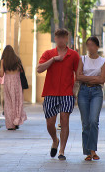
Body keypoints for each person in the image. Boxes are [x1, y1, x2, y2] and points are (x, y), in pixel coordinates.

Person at [37, 28, 80, 161]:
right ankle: (55, 140)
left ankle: (61, 150)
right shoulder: (48, 53)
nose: (61, 40)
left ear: (67, 39)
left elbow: (78, 74)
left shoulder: (73, 55)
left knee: (64, 120)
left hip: (67, 93)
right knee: (50, 123)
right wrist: (53, 60)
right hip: (50, 92)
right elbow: (39, 69)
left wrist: (75, 91)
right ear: (55, 39)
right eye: (58, 37)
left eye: (63, 37)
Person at [76, 36, 105, 161]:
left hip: (96, 92)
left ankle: (93, 150)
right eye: (88, 45)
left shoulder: (103, 61)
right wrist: (94, 78)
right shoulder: (82, 59)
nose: (90, 47)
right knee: (85, 122)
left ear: (97, 47)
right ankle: (88, 152)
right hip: (83, 91)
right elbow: (78, 76)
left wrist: (86, 77)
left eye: (92, 45)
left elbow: (102, 79)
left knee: (94, 120)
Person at [0, 45, 27, 130]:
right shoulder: (17, 60)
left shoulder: (3, 61)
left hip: (8, 82)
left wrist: (1, 65)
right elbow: (21, 71)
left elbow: (1, 74)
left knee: (9, 103)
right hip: (17, 82)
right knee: (17, 102)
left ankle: (10, 124)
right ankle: (16, 121)